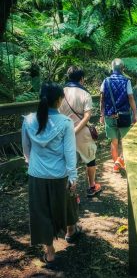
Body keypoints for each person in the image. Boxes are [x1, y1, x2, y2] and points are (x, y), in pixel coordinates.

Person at [22, 82, 78, 266]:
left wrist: (34, 164)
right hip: (59, 175)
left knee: (41, 211)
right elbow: (69, 152)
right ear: (60, 99)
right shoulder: (65, 123)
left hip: (37, 174)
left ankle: (50, 252)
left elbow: (26, 149)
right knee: (65, 202)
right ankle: (70, 230)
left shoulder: (29, 120)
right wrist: (73, 176)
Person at [59, 66, 101, 197]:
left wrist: (68, 131)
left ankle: (71, 194)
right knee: (90, 160)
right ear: (82, 79)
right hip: (82, 134)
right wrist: (76, 130)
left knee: (68, 164)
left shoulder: (61, 92)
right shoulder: (85, 94)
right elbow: (87, 116)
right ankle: (92, 187)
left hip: (64, 133)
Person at [100, 58, 137, 173]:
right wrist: (135, 114)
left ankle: (116, 165)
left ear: (112, 68)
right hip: (124, 115)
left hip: (109, 116)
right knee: (125, 141)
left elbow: (102, 98)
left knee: (114, 142)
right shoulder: (127, 81)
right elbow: (131, 97)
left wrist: (101, 114)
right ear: (122, 69)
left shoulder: (105, 81)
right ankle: (120, 161)